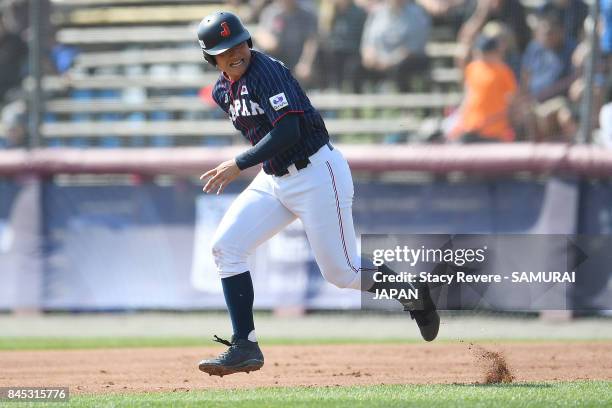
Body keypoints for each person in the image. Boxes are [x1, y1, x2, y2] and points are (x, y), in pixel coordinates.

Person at [195, 11, 440, 377]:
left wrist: (239, 162)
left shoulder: (266, 72)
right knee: (226, 247)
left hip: (315, 173)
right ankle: (244, 345)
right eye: (224, 49)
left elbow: (289, 130)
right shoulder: (221, 91)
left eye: (239, 42)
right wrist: (252, 164)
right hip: (275, 178)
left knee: (342, 273)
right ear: (211, 58)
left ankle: (412, 293)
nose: (235, 52)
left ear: (248, 40)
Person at [449, 34, 518, 143]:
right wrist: (460, 119)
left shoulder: (503, 71)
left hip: (494, 130)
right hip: (470, 127)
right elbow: (468, 96)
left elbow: (512, 101)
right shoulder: (472, 68)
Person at [254, 0, 318, 84]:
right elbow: (260, 32)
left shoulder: (307, 15)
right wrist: (266, 40)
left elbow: (311, 41)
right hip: (275, 59)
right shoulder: (270, 12)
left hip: (296, 61)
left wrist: (305, 63)